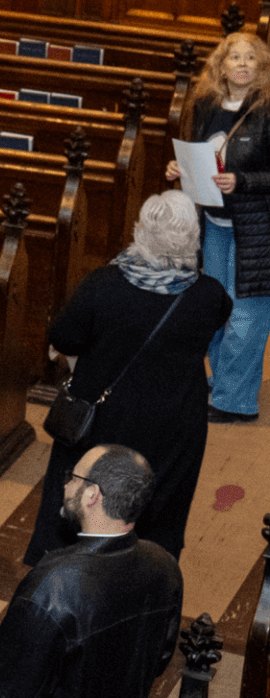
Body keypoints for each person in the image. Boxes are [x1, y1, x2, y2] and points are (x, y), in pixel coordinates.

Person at [26, 190, 229, 562]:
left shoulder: (103, 285)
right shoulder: (209, 295)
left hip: (103, 417)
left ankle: (63, 571)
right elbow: (214, 324)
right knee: (160, 505)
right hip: (174, 424)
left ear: (141, 232)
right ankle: (146, 578)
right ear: (192, 238)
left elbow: (63, 336)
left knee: (84, 495)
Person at [0, 445, 184, 698]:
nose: (64, 486)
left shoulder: (52, 587)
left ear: (92, 495)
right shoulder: (165, 566)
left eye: (73, 478)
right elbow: (159, 661)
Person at [166, 30, 270, 421]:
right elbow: (202, 158)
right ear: (220, 66)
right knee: (217, 305)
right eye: (234, 57)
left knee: (248, 311)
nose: (242, 64)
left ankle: (236, 401)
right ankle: (225, 378)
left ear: (261, 67)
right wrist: (181, 169)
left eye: (251, 58)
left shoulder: (267, 110)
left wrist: (242, 182)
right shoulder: (208, 105)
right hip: (215, 222)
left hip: (257, 228)